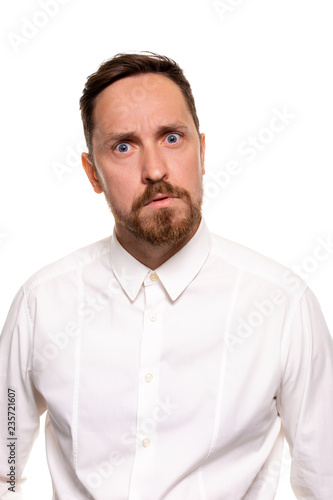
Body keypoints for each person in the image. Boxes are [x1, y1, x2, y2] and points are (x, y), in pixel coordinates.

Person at [0, 52, 332, 500]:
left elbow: (323, 481)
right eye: (123, 146)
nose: (155, 170)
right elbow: (4, 463)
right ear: (92, 173)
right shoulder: (41, 304)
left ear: (202, 150)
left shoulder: (282, 306)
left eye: (172, 138)